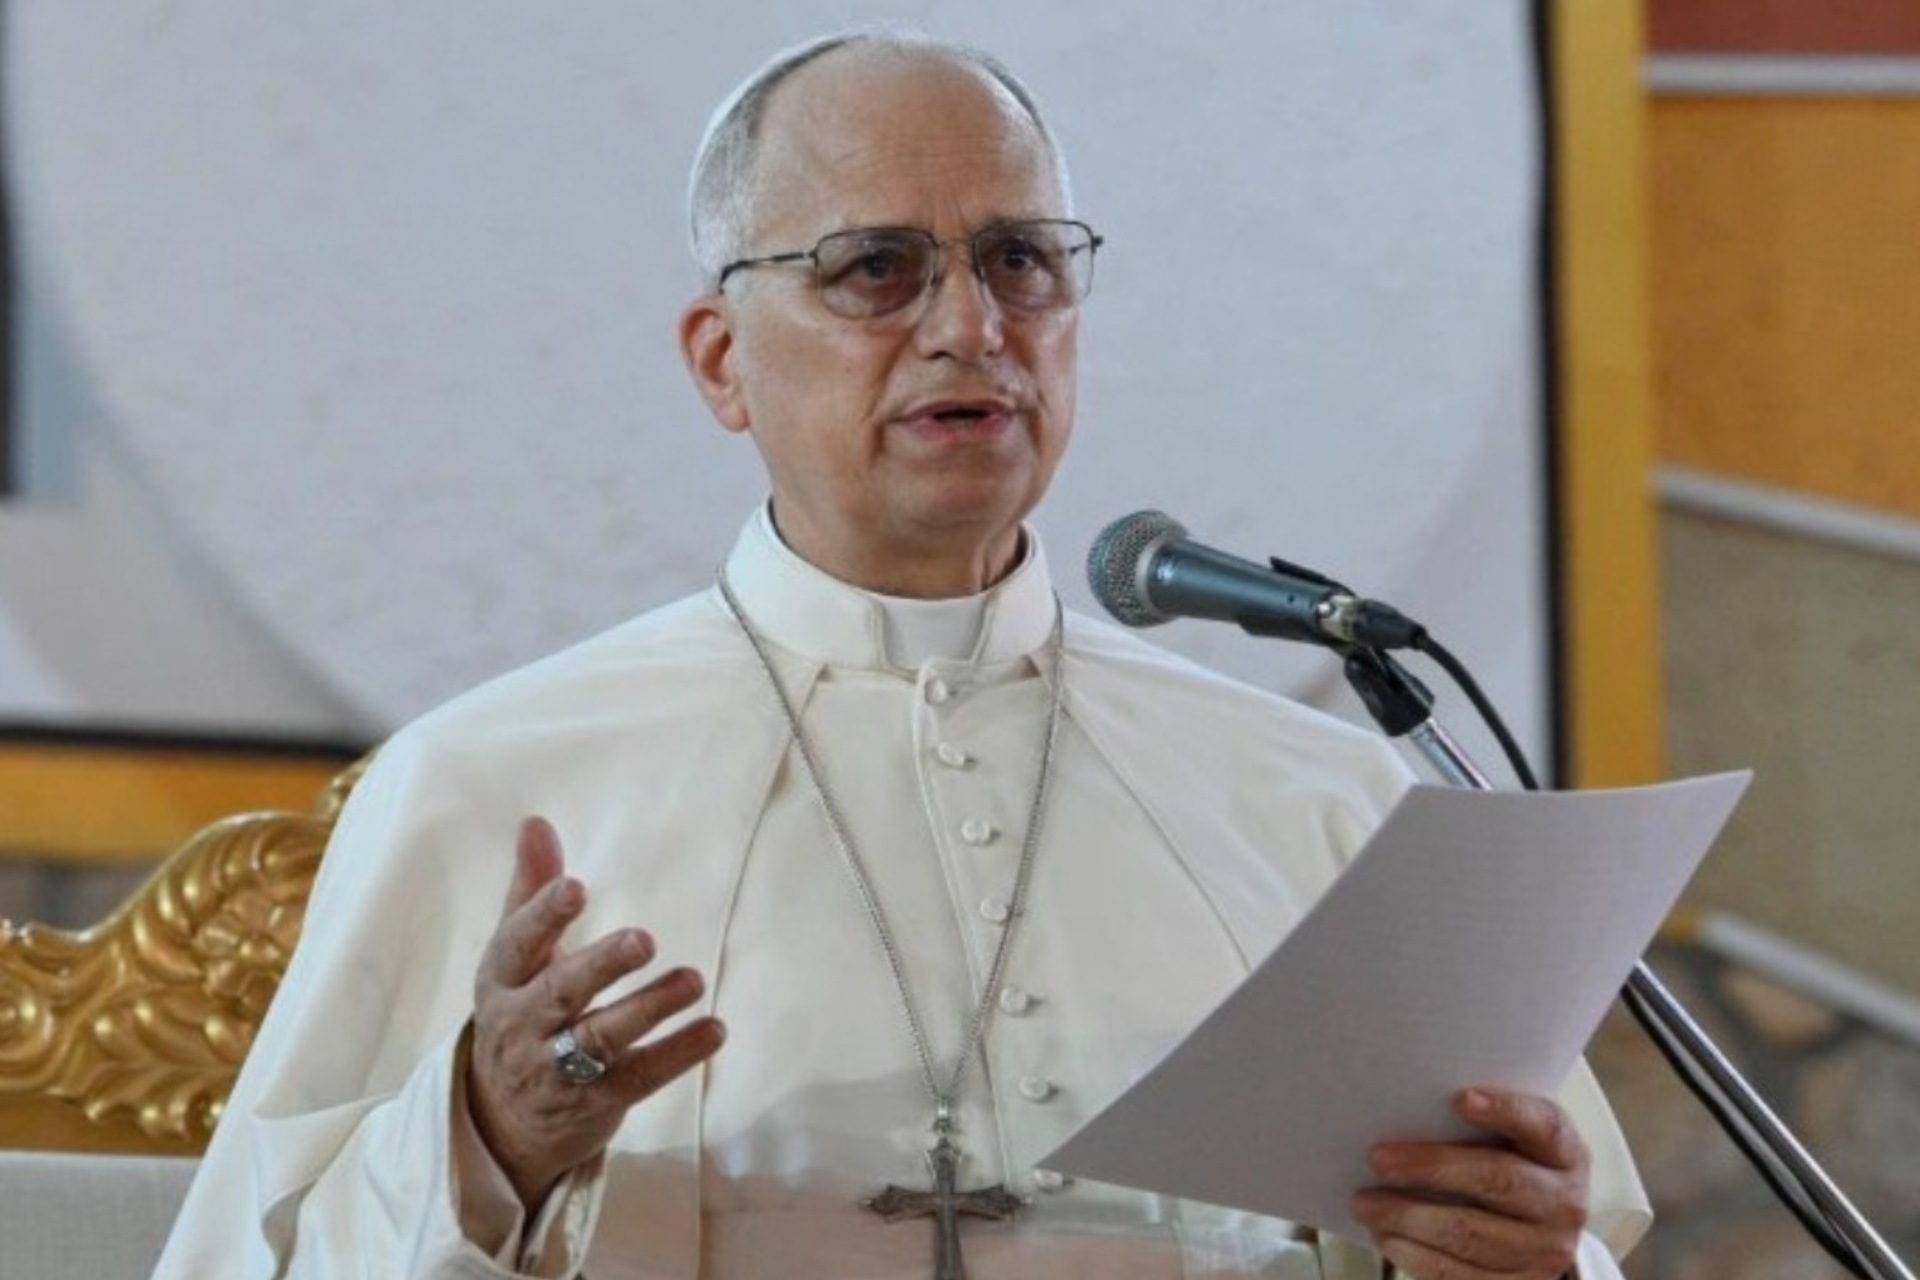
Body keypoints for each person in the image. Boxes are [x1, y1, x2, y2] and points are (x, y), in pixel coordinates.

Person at [155, 29, 1649, 1280]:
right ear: (722, 361)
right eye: (876, 268)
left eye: (1023, 261)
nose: (972, 327)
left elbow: (1546, 1240)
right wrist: (486, 1140)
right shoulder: (484, 785)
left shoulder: (1317, 802)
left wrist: (1522, 1256)